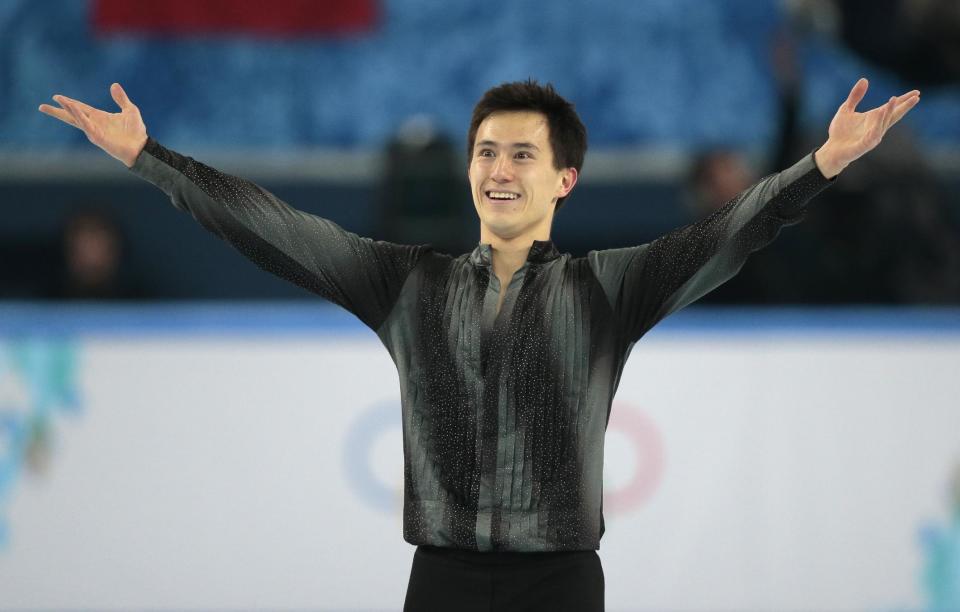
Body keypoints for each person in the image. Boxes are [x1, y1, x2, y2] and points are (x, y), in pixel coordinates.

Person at [39, 78, 919, 611]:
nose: (499, 170)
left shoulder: (606, 288)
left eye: (522, 156)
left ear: (564, 179)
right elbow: (273, 229)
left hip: (562, 585)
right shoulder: (406, 283)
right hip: (443, 584)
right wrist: (149, 156)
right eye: (486, 152)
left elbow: (732, 230)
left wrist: (823, 165)